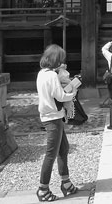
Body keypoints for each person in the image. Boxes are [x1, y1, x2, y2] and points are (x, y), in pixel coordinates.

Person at [36, 44, 79, 201]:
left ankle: (66, 182)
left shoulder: (42, 73)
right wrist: (73, 92)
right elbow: (60, 96)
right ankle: (43, 189)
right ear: (56, 59)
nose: (62, 62)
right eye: (61, 59)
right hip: (53, 117)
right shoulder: (52, 76)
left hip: (50, 115)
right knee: (51, 154)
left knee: (63, 149)